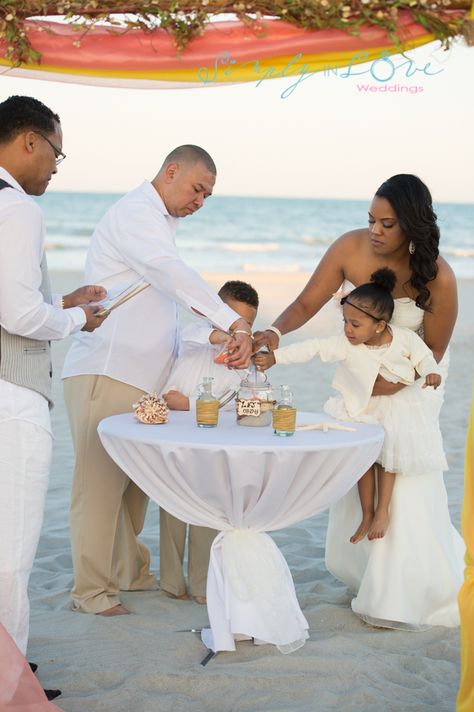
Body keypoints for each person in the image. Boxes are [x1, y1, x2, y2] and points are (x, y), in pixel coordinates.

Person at [254, 174, 464, 629]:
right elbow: (308, 302)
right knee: (358, 469)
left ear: (412, 226)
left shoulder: (440, 277)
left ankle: (402, 594)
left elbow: (435, 352)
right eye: (371, 219)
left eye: (387, 224)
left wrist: (390, 384)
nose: (375, 231)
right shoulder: (349, 248)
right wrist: (273, 333)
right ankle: (366, 572)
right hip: (359, 374)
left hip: (412, 381)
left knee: (401, 474)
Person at [62, 145, 254, 616]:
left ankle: (128, 573)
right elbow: (173, 275)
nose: (200, 202)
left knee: (135, 488)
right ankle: (92, 592)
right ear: (171, 172)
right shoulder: (136, 213)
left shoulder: (160, 221)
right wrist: (233, 322)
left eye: (207, 196)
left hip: (145, 381)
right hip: (107, 370)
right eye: (197, 189)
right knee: (99, 488)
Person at [0, 95, 107, 699]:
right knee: (11, 550)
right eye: (56, 152)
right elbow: (15, 313)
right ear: (30, 142)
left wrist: (60, 303)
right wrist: (78, 321)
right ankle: (11, 683)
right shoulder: (16, 208)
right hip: (12, 393)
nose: (57, 167)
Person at [255, 268, 444, 545]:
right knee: (364, 461)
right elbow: (313, 348)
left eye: (355, 325)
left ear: (379, 325)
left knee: (388, 457)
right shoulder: (345, 344)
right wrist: (277, 358)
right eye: (345, 322)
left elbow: (424, 356)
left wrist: (431, 371)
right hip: (361, 407)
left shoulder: (403, 338)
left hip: (396, 405)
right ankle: (366, 513)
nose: (348, 330)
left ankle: (382, 511)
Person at [162, 279, 259, 604]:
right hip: (175, 436)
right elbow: (196, 336)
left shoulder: (244, 365)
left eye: (246, 325)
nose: (237, 332)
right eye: (231, 320)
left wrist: (188, 404)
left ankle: (203, 585)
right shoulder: (195, 336)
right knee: (172, 509)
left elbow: (241, 407)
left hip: (212, 443)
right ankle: (171, 583)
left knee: (206, 509)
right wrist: (229, 335)